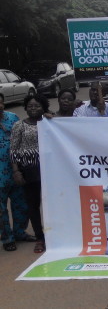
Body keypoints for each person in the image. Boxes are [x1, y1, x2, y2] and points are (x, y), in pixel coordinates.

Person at [10, 94, 49, 253]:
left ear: (43, 107)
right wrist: (16, 171)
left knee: (51, 204)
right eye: (30, 106)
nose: (33, 108)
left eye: (37, 106)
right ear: (25, 108)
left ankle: (55, 235)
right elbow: (13, 150)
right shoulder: (19, 125)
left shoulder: (49, 122)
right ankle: (40, 238)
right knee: (33, 205)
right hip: (29, 169)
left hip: (49, 168)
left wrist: (50, 117)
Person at [0, 94, 31, 252]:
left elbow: (23, 136)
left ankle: (19, 232)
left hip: (15, 169)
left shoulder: (12, 118)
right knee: (1, 209)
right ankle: (7, 238)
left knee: (21, 203)